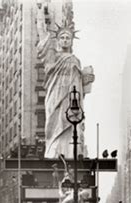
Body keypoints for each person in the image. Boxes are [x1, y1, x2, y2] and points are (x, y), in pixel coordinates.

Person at [36, 2, 94, 159]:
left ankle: (70, 155)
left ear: (72, 41)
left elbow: (81, 87)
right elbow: (42, 35)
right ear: (58, 40)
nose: (65, 40)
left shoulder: (76, 60)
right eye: (62, 37)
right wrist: (40, 14)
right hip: (55, 98)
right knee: (54, 127)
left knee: (71, 128)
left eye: (68, 37)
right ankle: (54, 152)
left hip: (72, 100)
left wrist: (86, 78)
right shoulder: (52, 57)